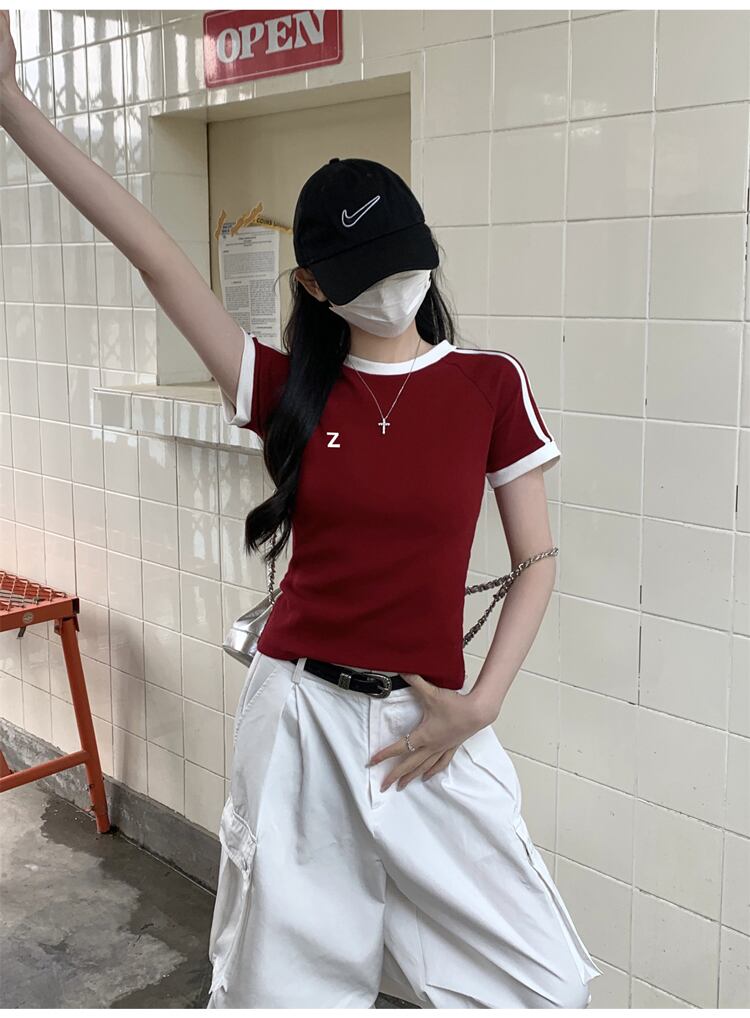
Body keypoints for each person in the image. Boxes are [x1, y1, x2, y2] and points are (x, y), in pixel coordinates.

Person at [0, 12, 603, 1009]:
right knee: (282, 992)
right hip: (299, 717)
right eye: (367, 275)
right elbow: (157, 259)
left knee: (540, 986)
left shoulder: (491, 385)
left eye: (406, 260)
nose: (396, 288)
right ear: (316, 285)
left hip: (429, 721)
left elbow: (536, 561)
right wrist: (14, 105)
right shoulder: (286, 387)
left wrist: (482, 703)